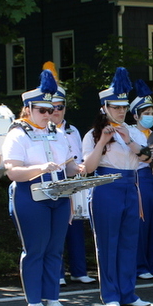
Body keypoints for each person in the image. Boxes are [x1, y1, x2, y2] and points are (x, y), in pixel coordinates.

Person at [3, 69, 79, 306]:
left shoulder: (59, 134)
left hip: (59, 194)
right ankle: (34, 301)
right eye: (43, 110)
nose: (49, 114)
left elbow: (68, 166)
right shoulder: (17, 134)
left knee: (55, 249)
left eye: (53, 109)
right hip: (31, 193)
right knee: (36, 248)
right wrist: (39, 169)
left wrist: (79, 170)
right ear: (28, 109)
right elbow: (12, 172)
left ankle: (53, 297)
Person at [81, 68, 151, 306]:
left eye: (123, 107)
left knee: (130, 241)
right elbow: (87, 168)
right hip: (106, 186)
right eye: (115, 107)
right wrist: (102, 141)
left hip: (130, 185)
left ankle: (128, 293)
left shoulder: (132, 130)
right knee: (108, 242)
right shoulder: (92, 134)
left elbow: (147, 158)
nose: (120, 111)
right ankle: (110, 294)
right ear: (104, 108)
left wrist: (128, 139)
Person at [48, 68, 94, 286]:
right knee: (54, 231)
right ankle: (57, 273)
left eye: (61, 106)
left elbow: (79, 156)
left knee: (76, 227)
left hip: (73, 184)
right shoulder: (42, 131)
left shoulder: (72, 130)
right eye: (53, 107)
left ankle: (78, 270)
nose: (57, 111)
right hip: (52, 184)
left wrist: (82, 167)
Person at [129, 78, 153, 280]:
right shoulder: (130, 132)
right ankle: (141, 265)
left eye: (152, 113)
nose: (150, 116)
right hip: (139, 178)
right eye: (146, 114)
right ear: (136, 115)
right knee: (141, 221)